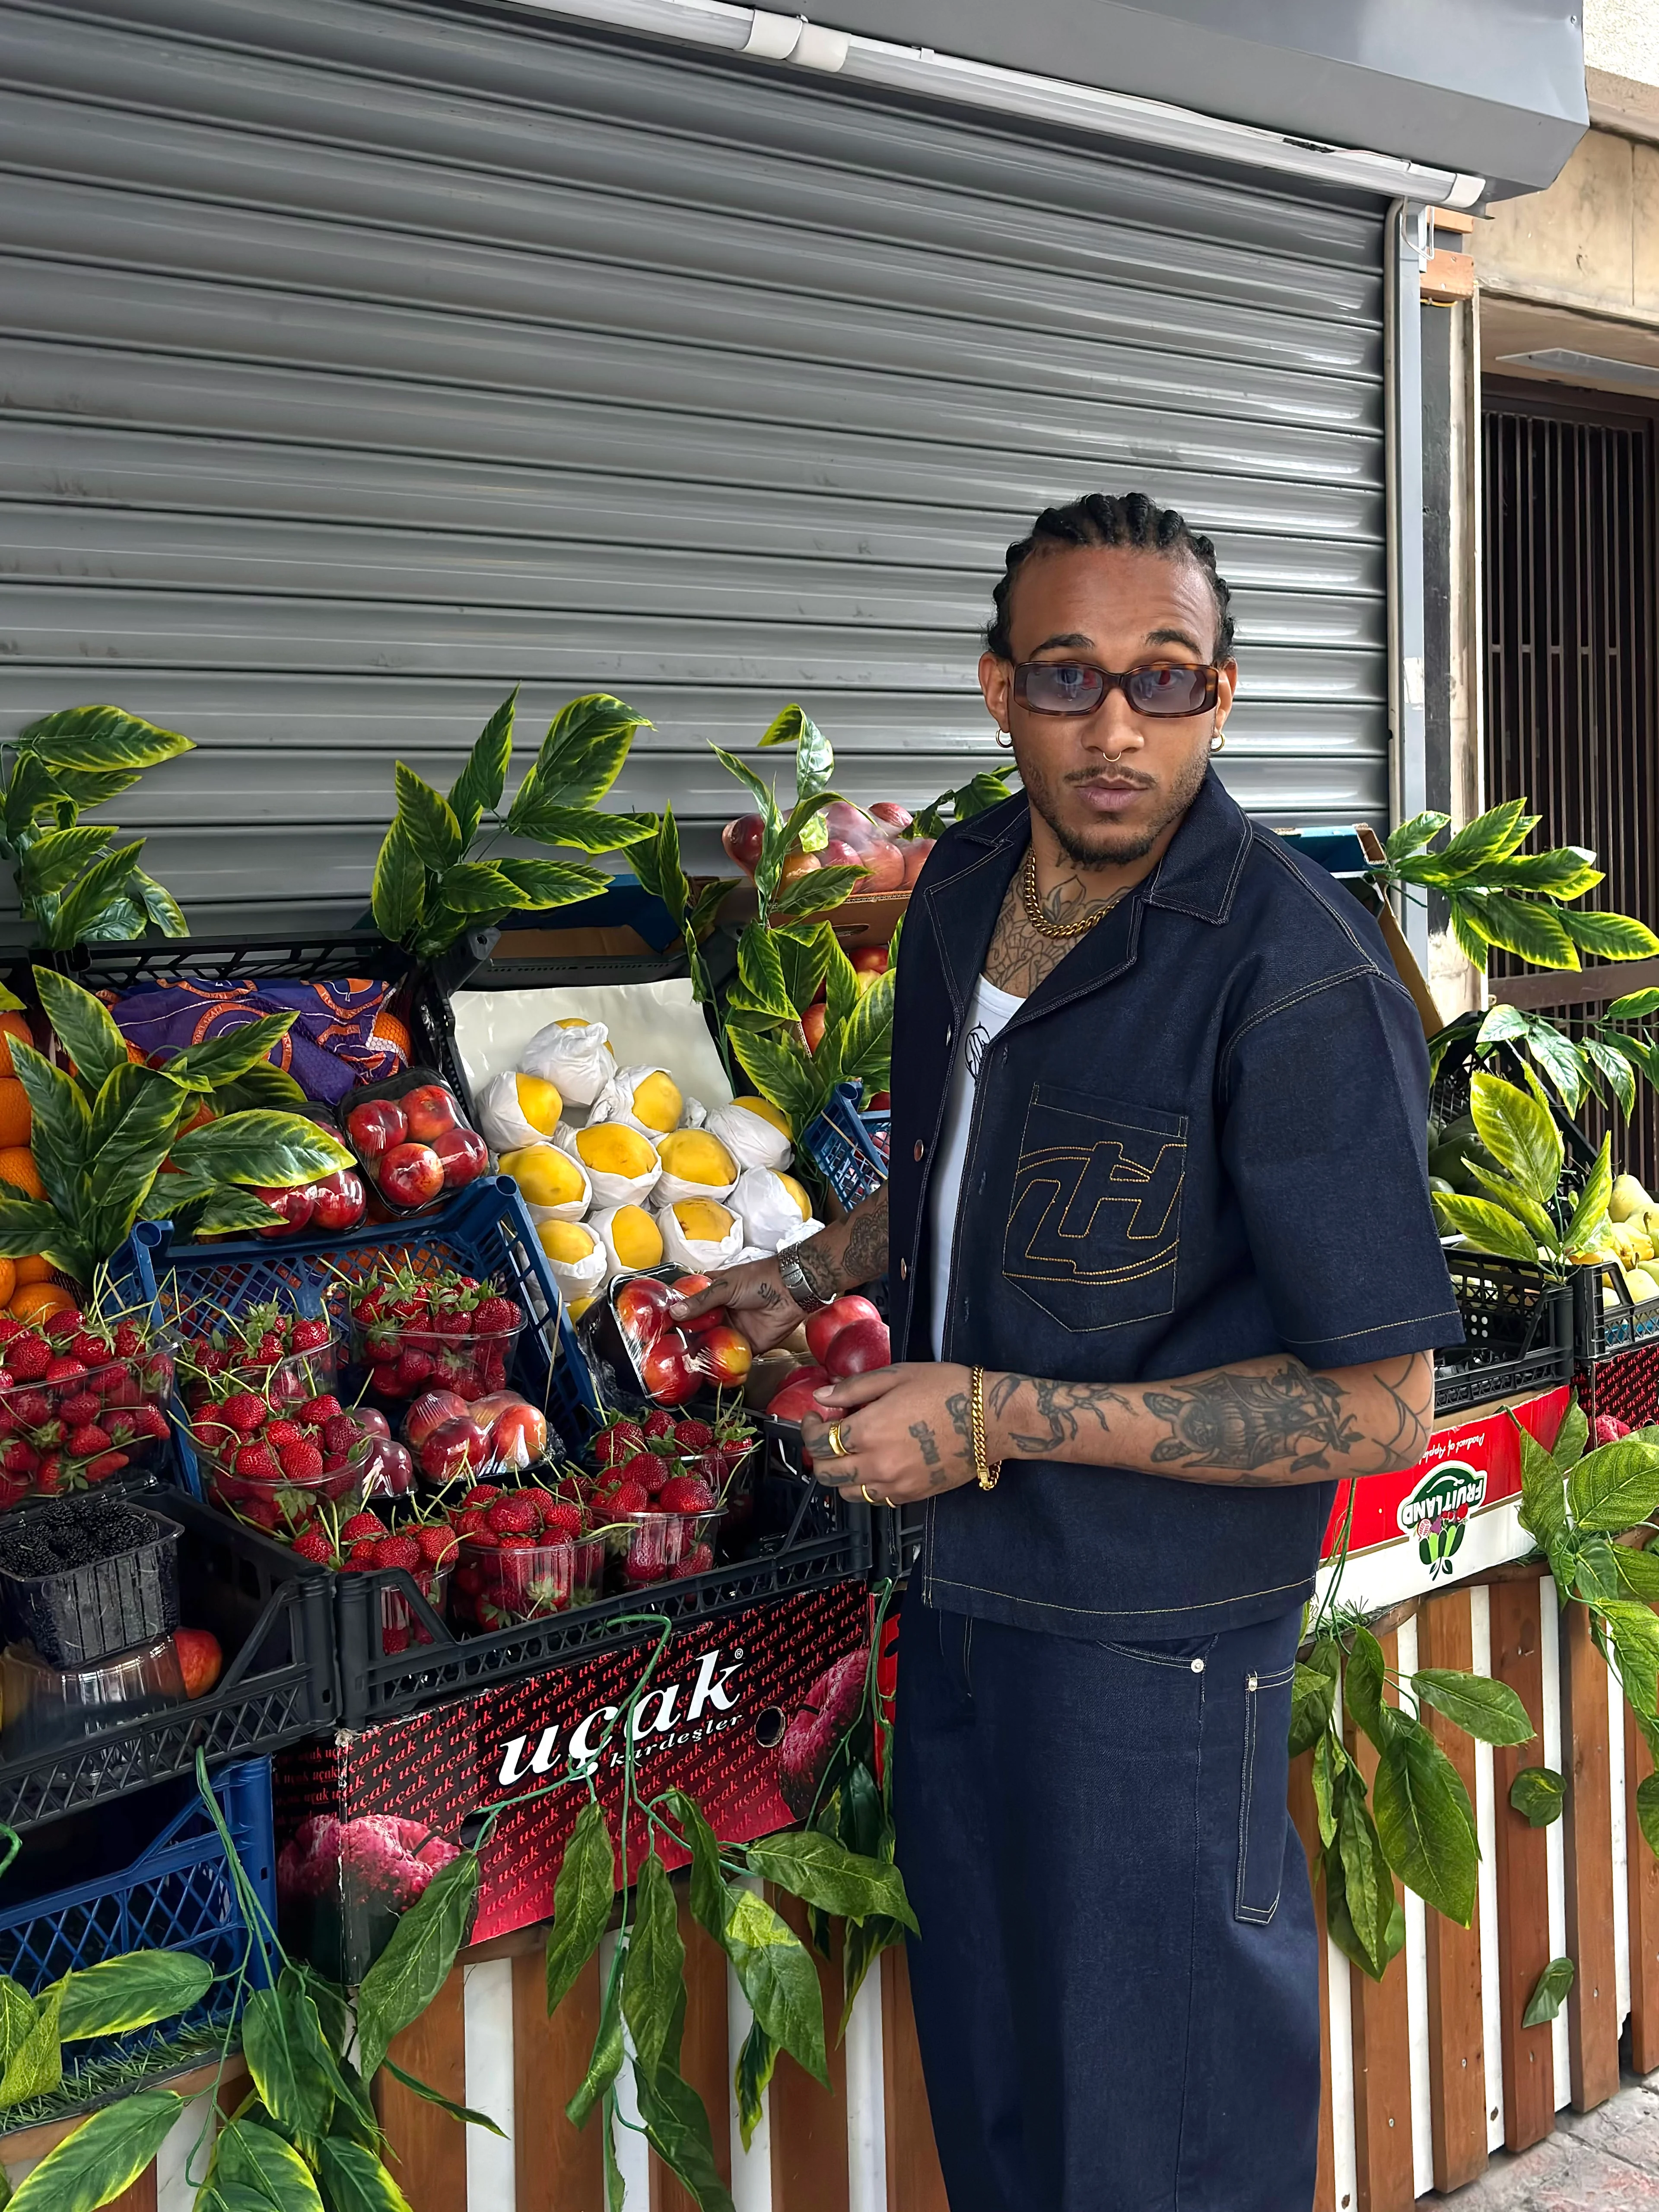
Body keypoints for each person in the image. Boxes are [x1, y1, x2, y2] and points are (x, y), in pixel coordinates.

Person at [671, 490, 1462, 2211]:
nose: (1117, 727)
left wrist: (997, 1417)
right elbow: (976, 1156)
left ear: (1225, 696)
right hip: (964, 1623)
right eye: (1069, 674)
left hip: (1161, 1671)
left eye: (1165, 679)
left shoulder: (1294, 979)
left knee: (1162, 2151)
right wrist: (809, 1267)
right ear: (996, 689)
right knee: (1011, 2116)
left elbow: (1385, 1401)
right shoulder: (959, 892)